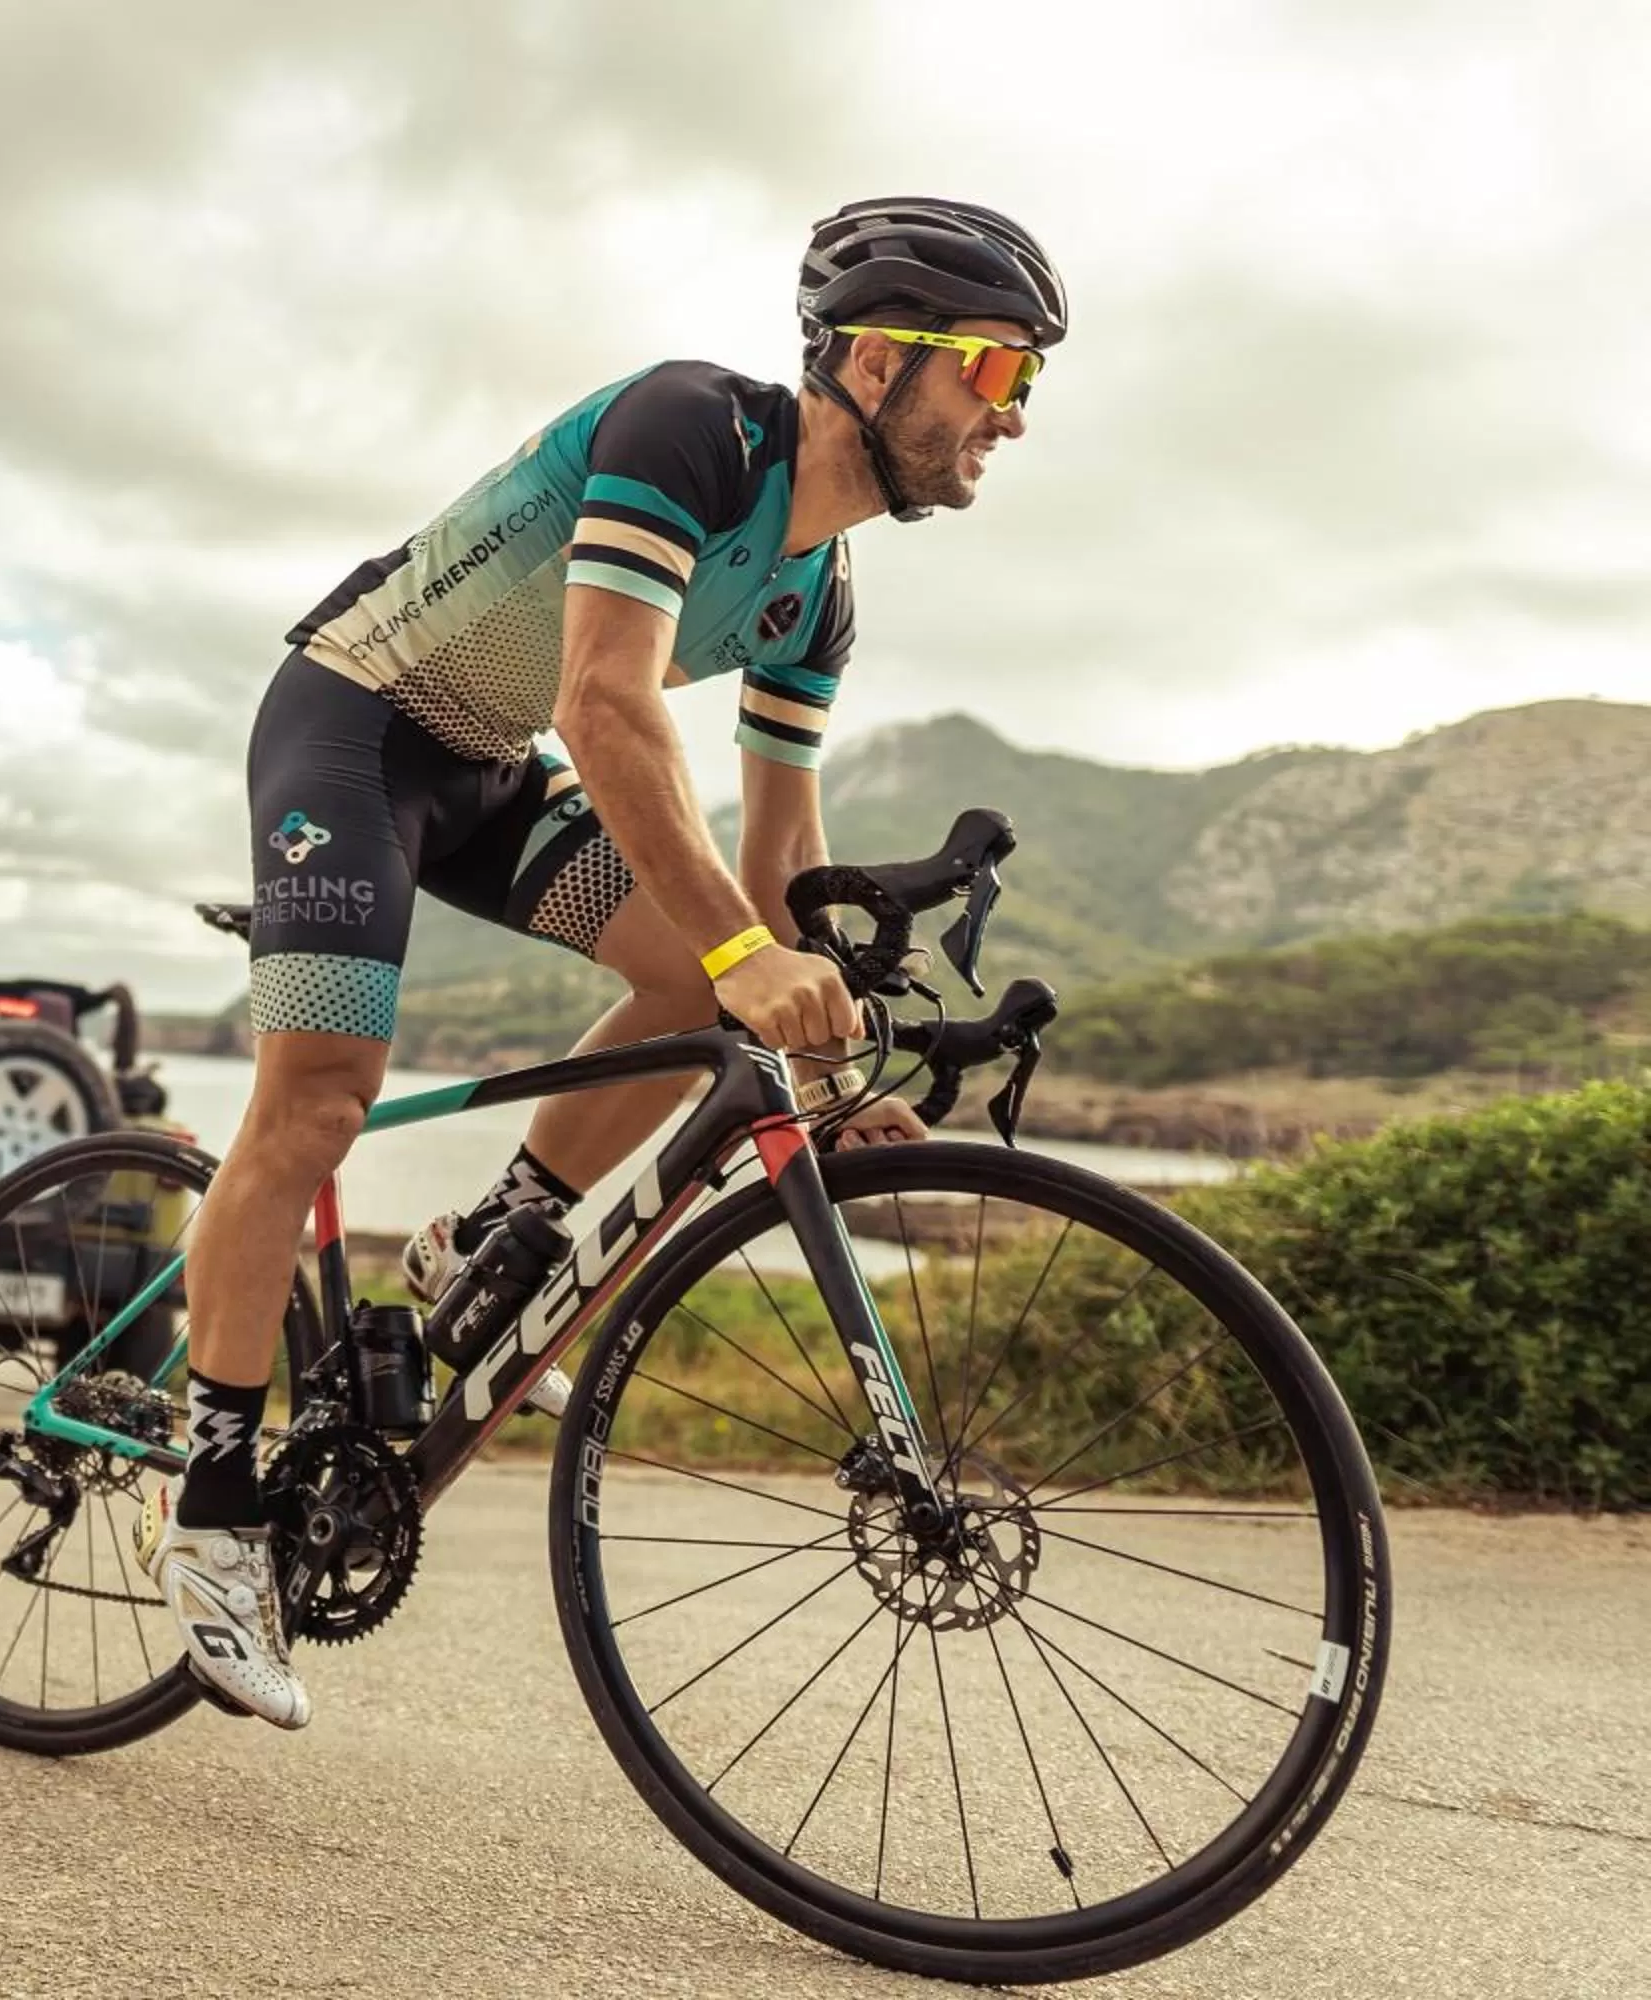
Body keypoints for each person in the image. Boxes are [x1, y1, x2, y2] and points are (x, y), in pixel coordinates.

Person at [145, 198, 1070, 1730]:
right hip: (353, 725)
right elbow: (603, 701)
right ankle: (211, 1505)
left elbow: (779, 856)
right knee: (317, 1099)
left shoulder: (820, 597)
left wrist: (820, 1068)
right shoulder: (691, 427)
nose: (1014, 415)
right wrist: (745, 950)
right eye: (997, 370)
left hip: (486, 770)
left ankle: (489, 1233)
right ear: (874, 357)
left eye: (1028, 381)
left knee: (707, 985)